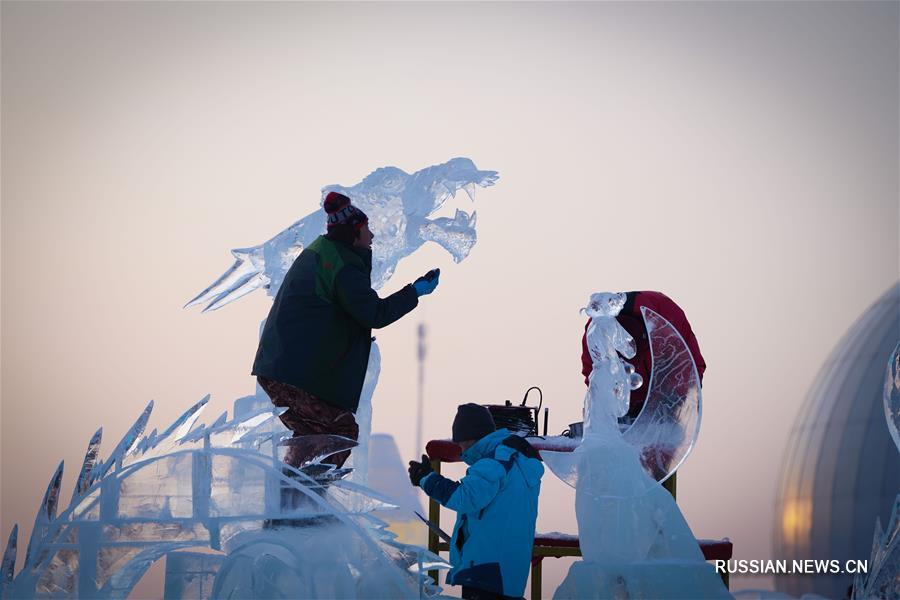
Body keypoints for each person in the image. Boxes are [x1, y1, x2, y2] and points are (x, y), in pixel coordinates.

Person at [253, 191, 440, 469]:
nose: (372, 236)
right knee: (341, 432)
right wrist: (414, 292)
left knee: (312, 436)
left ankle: (289, 500)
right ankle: (308, 501)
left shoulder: (323, 252)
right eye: (366, 230)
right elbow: (373, 313)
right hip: (295, 373)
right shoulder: (342, 264)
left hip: (281, 368)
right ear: (353, 233)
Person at [408, 404, 544, 600]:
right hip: (511, 570)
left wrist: (427, 479)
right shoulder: (518, 460)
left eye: (462, 445)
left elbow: (465, 497)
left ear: (471, 438)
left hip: (486, 568)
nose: (462, 452)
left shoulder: (495, 461)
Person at [580, 290, 706, 421]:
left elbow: (690, 367)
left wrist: (672, 401)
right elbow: (595, 378)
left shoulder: (667, 323)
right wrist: (614, 409)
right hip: (630, 410)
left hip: (665, 404)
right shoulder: (598, 331)